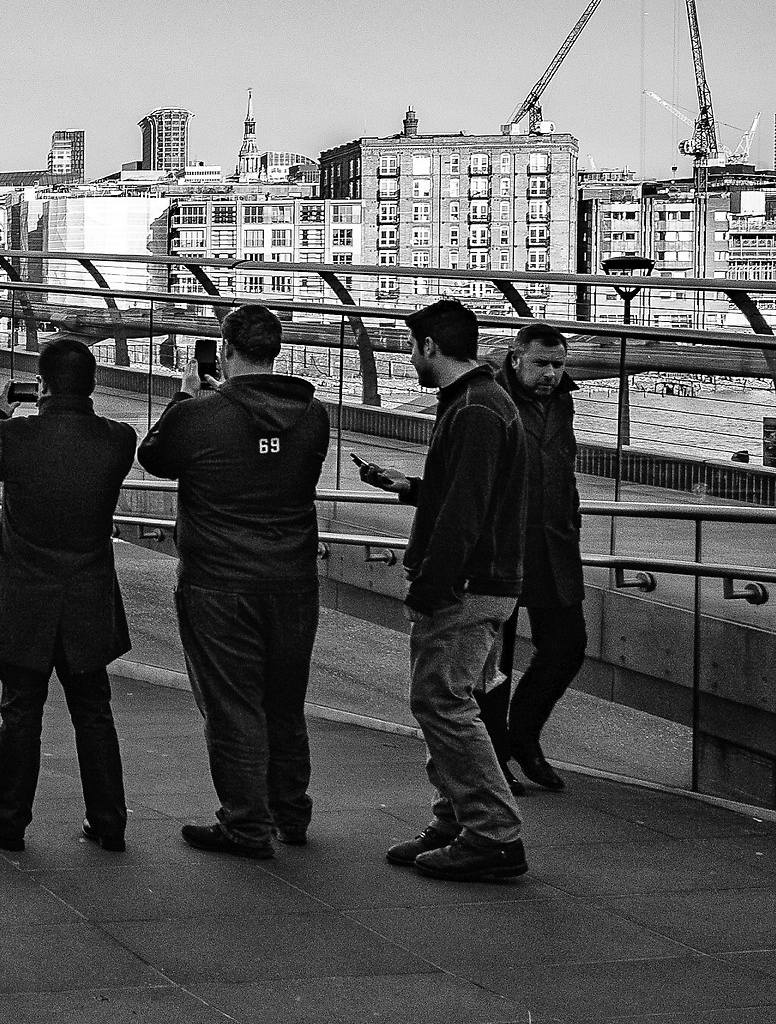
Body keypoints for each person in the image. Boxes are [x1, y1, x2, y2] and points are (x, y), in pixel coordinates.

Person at [137, 305, 332, 859]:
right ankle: (290, 812)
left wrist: (184, 397)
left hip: (218, 582)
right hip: (294, 579)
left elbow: (153, 456)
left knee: (232, 704)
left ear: (224, 350)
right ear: (277, 350)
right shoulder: (313, 416)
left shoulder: (201, 414)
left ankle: (246, 824)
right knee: (285, 700)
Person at [358, 299, 531, 882]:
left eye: (412, 348)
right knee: (444, 699)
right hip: (474, 579)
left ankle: (491, 832)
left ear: (430, 346)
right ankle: (456, 818)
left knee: (444, 701)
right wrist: (409, 487)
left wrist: (432, 584)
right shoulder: (474, 402)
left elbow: (467, 508)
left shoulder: (478, 408)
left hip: (468, 584)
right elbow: (460, 488)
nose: (410, 359)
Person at [0, 337, 136, 853]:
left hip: (23, 600)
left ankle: (8, 821)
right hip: (87, 596)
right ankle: (108, 822)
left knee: (20, 711)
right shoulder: (117, 440)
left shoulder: (16, 436)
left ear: (40, 386)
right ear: (94, 386)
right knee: (94, 712)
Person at [480, 323, 584, 793]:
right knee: (493, 661)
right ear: (515, 357)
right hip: (502, 547)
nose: (550, 374)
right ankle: (495, 758)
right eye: (541, 363)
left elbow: (565, 468)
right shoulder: (488, 400)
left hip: (555, 545)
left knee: (567, 646)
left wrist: (571, 523)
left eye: (558, 365)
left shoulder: (562, 401)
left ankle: (524, 737)